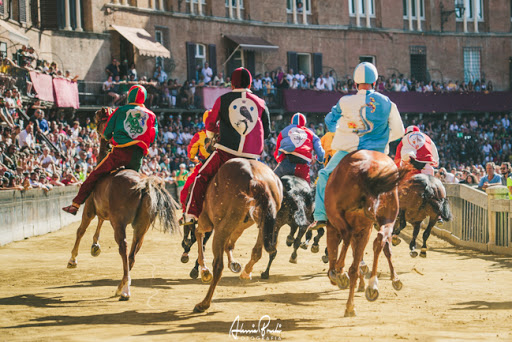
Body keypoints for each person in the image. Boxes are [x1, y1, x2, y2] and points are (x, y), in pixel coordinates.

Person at [309, 62, 405, 230]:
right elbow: (399, 131)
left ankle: (320, 216)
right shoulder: (388, 103)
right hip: (378, 152)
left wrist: (338, 131)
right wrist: (383, 139)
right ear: (375, 82)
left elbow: (329, 121)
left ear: (354, 84)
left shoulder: (344, 101)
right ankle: (391, 223)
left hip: (347, 152)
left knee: (324, 175)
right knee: (394, 182)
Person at [181, 67, 271, 225]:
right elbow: (268, 131)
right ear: (250, 83)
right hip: (252, 156)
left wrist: (213, 135)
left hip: (226, 153)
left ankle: (191, 213)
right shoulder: (261, 102)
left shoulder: (223, 99)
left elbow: (210, 124)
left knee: (200, 176)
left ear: (232, 83)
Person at [62, 85, 158, 215]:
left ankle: (76, 204)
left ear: (129, 96)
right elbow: (153, 137)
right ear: (144, 98)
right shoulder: (152, 115)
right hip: (137, 156)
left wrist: (109, 137)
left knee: (94, 175)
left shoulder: (120, 110)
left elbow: (107, 133)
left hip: (119, 153)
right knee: (137, 185)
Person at [273, 113, 324, 183]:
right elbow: (321, 153)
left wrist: (281, 161)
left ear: (292, 122)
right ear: (305, 124)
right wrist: (319, 161)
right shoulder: (311, 133)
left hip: (286, 165)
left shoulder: (284, 131)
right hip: (302, 168)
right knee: (308, 191)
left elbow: (277, 154)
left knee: (271, 182)